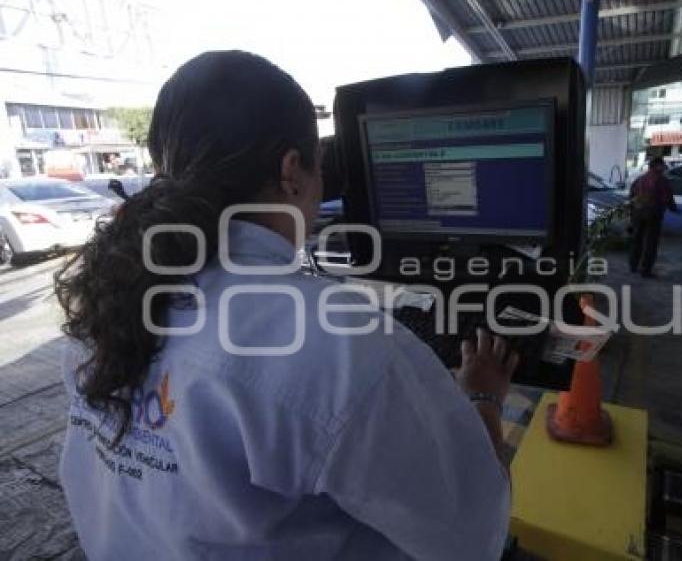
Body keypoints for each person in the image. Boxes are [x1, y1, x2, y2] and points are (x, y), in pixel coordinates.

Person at [55, 51, 515, 560]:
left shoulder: (104, 305)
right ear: (292, 171)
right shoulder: (342, 347)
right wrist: (483, 397)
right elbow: (475, 535)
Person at [628, 156, 681, 277]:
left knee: (637, 240)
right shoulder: (662, 181)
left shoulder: (640, 179)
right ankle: (645, 270)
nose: (664, 168)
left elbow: (631, 197)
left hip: (638, 214)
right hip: (653, 215)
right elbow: (667, 198)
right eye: (662, 166)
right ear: (658, 166)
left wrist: (631, 214)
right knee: (651, 243)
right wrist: (674, 209)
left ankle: (633, 266)